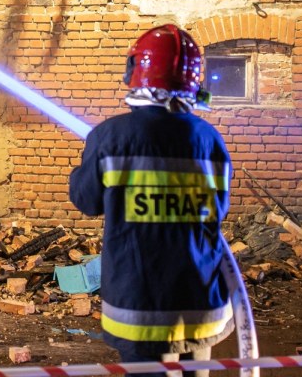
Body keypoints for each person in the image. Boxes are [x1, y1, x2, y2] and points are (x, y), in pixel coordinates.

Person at [69, 23, 233, 367]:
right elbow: (220, 209)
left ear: (136, 70)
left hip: (139, 305)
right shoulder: (210, 139)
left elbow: (86, 201)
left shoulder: (110, 137)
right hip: (201, 301)